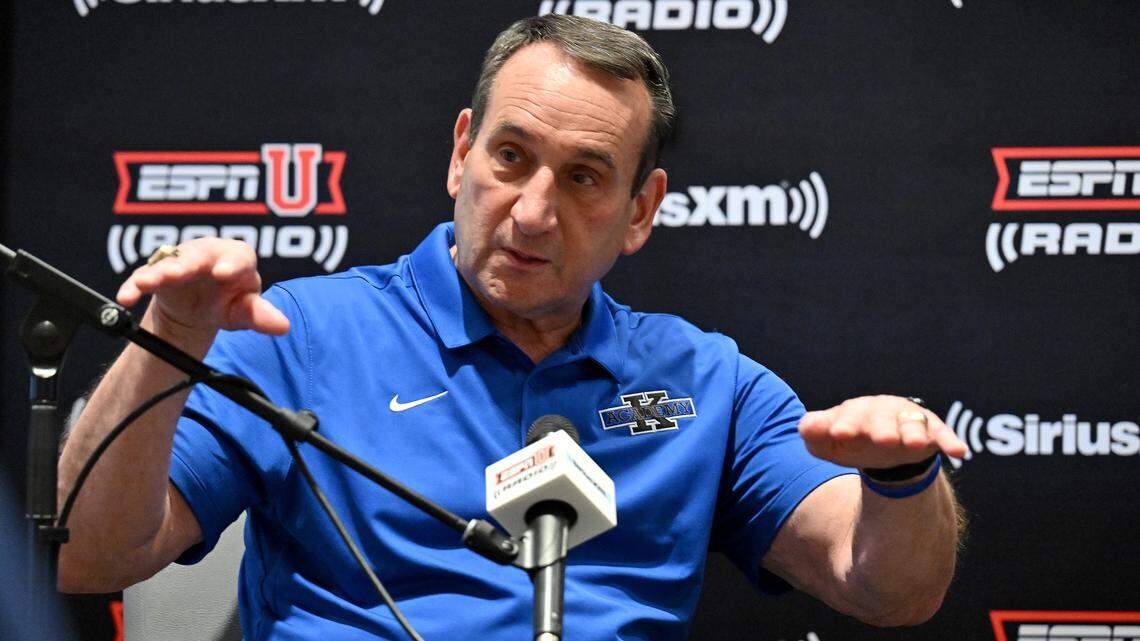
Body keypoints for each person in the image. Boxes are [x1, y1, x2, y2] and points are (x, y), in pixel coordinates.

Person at [57, 14, 967, 641]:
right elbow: (87, 554)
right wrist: (169, 338)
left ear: (641, 210)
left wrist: (900, 478)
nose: (533, 211)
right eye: (511, 156)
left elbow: (889, 588)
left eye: (583, 177)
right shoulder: (300, 334)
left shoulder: (705, 383)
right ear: (462, 153)